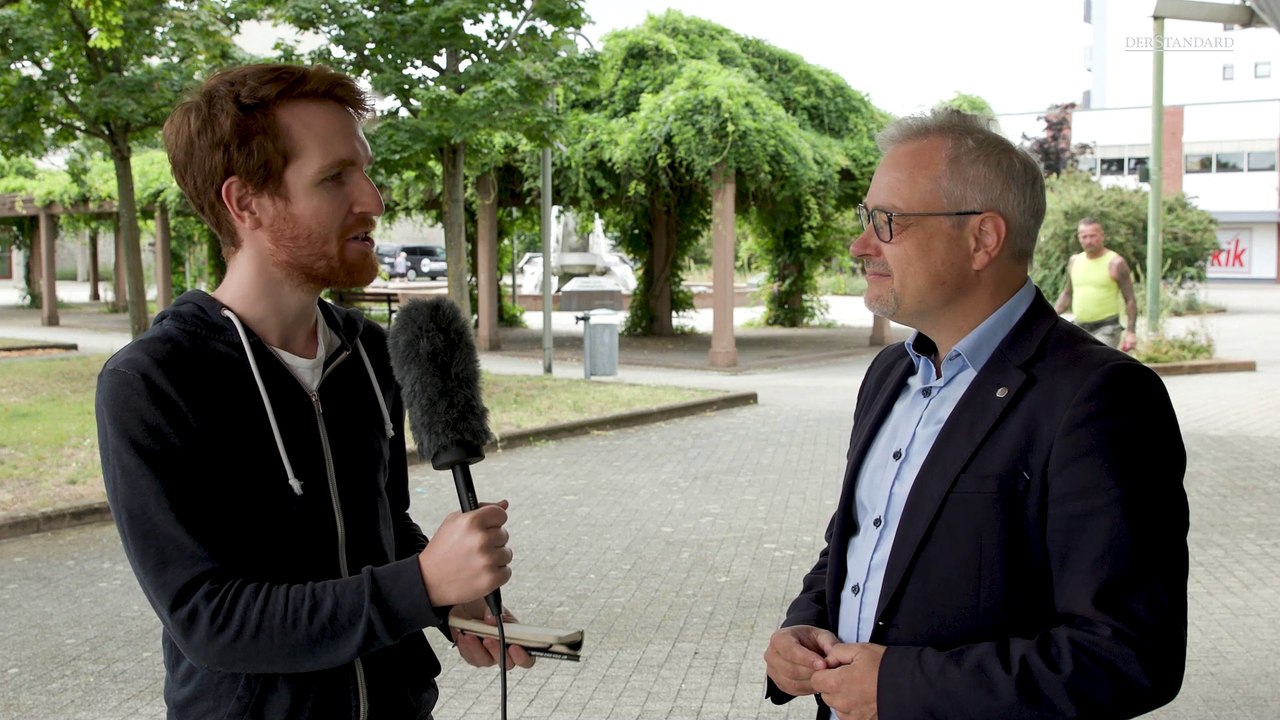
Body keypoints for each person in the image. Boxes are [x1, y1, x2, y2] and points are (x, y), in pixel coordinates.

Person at [96, 64, 531, 720]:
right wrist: (418, 583)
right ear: (247, 204)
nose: (375, 200)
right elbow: (210, 619)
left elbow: (382, 532)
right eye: (335, 178)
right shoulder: (151, 385)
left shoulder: (369, 354)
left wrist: (443, 598)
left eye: (365, 169)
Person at [763, 109, 1188, 720]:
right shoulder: (890, 374)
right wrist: (804, 629)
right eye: (866, 219)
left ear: (983, 238)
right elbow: (860, 539)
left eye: (887, 222)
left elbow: (1126, 655)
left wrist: (901, 685)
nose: (861, 245)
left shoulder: (1102, 398)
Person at [1053, 218, 1139, 352]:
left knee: (1098, 365)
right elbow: (1067, 293)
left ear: (1102, 236)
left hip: (1107, 328)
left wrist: (1131, 332)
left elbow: (1130, 299)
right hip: (1080, 327)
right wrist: (1049, 315)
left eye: (1093, 236)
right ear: (1079, 238)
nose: (1088, 240)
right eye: (1084, 236)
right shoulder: (1074, 261)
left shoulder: (1115, 263)